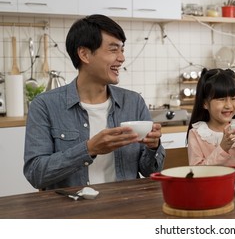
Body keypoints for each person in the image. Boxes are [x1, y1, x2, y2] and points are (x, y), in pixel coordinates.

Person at [23, 14, 164, 190]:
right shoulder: (44, 106)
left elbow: (151, 170)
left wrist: (153, 147)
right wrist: (89, 149)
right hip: (71, 211)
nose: (122, 58)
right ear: (84, 54)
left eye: (122, 50)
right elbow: (36, 174)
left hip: (125, 207)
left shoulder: (133, 102)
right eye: (113, 50)